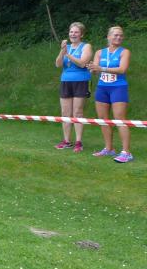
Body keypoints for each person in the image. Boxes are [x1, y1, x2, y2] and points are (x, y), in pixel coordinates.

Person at [87, 26, 133, 163]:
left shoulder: (124, 52)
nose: (119, 37)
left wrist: (101, 68)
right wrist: (92, 69)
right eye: (116, 35)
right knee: (103, 119)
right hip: (102, 87)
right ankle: (109, 148)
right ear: (108, 37)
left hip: (118, 87)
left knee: (120, 119)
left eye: (121, 35)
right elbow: (96, 70)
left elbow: (122, 69)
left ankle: (126, 152)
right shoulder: (100, 52)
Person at [54, 22, 92, 152]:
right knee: (65, 113)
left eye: (76, 32)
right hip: (66, 81)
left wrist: (68, 54)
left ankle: (79, 142)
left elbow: (82, 63)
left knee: (77, 112)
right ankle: (67, 141)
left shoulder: (86, 46)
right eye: (71, 32)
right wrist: (62, 51)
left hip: (81, 81)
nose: (73, 34)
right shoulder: (67, 47)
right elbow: (58, 64)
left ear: (81, 34)